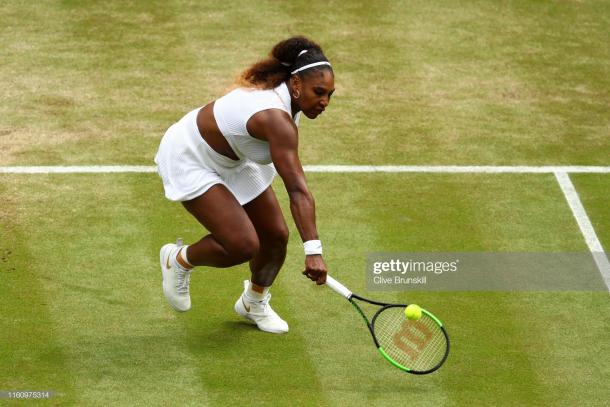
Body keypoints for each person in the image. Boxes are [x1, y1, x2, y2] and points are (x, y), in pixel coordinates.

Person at [154, 36, 334, 334]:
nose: (325, 102)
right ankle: (178, 259)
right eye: (319, 92)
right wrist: (313, 250)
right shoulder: (275, 118)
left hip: (236, 156)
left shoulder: (290, 103)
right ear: (296, 84)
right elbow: (297, 189)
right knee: (242, 244)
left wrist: (310, 247)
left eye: (330, 95)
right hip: (191, 155)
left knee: (275, 236)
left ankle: (254, 302)